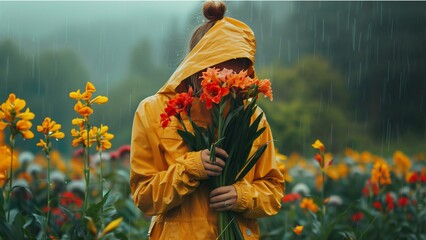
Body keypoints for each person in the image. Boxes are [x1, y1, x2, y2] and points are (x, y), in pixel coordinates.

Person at [130, 1, 284, 239]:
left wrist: (241, 196)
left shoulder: (252, 116)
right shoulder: (152, 111)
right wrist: (192, 168)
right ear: (196, 65)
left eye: (238, 71)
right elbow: (144, 197)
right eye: (218, 70)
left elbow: (273, 193)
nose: (228, 81)